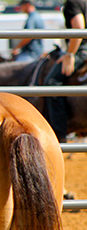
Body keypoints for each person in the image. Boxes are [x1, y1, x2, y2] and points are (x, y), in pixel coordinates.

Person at [44, 0, 87, 143]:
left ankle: (60, 134)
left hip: (82, 50)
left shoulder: (73, 2)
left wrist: (70, 55)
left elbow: (79, 28)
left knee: (51, 84)